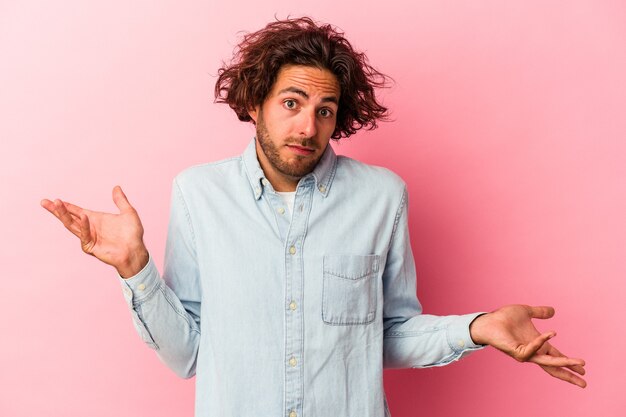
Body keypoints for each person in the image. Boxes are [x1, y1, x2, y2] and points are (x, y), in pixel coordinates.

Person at [41, 17, 586, 417]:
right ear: (255, 103)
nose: (307, 127)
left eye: (324, 111)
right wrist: (136, 269)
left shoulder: (382, 197)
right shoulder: (197, 194)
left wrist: (477, 328)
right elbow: (187, 354)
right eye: (291, 103)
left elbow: (386, 334)